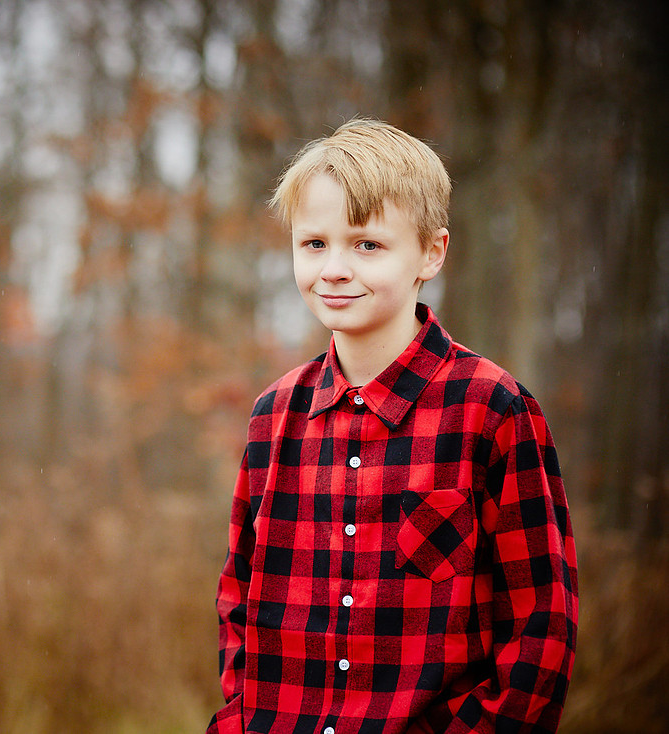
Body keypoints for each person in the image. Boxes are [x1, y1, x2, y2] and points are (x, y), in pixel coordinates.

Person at [207, 118, 578, 734]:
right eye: (314, 244)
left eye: (367, 245)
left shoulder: (492, 409)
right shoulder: (274, 417)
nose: (333, 269)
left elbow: (542, 626)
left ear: (431, 253)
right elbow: (239, 600)